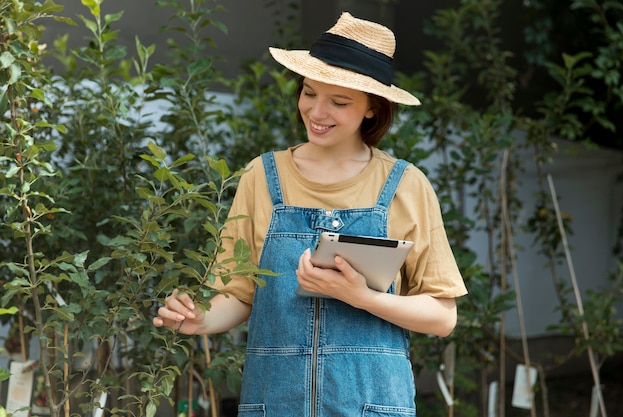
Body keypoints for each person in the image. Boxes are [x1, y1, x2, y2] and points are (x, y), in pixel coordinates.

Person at [154, 12, 468, 417]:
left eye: (339, 101)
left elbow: (442, 316)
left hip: (372, 404)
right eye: (308, 93)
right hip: (274, 402)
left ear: (372, 108)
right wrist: (199, 319)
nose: (317, 112)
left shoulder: (406, 185)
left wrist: (362, 297)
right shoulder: (262, 177)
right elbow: (237, 293)